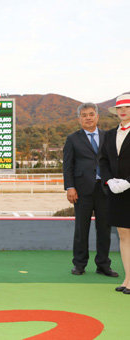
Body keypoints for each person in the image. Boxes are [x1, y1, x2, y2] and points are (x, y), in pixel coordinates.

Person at [63, 103, 118, 277]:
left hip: (105, 190)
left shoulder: (108, 136)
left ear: (97, 116)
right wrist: (70, 187)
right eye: (84, 115)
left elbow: (113, 162)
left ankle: (103, 264)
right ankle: (79, 264)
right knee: (81, 229)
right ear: (79, 118)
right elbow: (68, 165)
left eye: (91, 114)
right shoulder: (72, 139)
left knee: (104, 229)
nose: (88, 117)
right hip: (81, 190)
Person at [100, 93, 130, 294]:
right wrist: (109, 180)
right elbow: (102, 160)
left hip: (129, 187)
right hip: (117, 191)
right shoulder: (110, 134)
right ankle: (128, 279)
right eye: (119, 108)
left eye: (127, 107)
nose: (123, 111)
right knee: (123, 235)